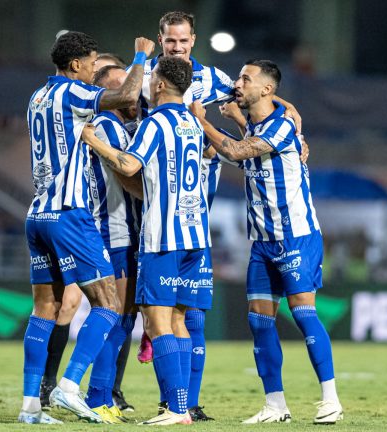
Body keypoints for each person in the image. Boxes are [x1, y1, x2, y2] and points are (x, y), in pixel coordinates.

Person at [134, 11, 306, 422]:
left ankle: (183, 404)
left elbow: (254, 95)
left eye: (183, 41)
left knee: (188, 315)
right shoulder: (142, 78)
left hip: (194, 216)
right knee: (140, 313)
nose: (177, 47)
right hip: (147, 208)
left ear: (193, 40)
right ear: (160, 40)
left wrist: (290, 110)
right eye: (170, 41)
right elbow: (120, 99)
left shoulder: (212, 79)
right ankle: (120, 395)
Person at [189, 59, 343, 424]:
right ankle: (275, 405)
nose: (237, 83)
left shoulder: (282, 126)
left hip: (296, 236)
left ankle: (330, 399)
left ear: (266, 89)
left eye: (246, 78)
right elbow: (244, 147)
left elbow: (239, 152)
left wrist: (202, 121)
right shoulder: (261, 123)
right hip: (261, 241)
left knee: (304, 314)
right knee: (259, 322)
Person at [18, 31, 154, 425]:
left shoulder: (37, 96)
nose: (95, 71)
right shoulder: (72, 93)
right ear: (75, 64)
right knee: (109, 303)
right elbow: (126, 99)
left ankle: (30, 407)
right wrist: (140, 58)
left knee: (45, 308)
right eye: (93, 63)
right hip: (69, 213)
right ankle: (70, 386)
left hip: (37, 214)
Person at [82, 55, 208, 426]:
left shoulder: (158, 121)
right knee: (179, 320)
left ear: (162, 85)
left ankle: (175, 408)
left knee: (156, 323)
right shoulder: (193, 122)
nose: (147, 84)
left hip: (163, 236)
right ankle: (181, 407)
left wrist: (96, 143)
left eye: (152, 77)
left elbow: (128, 166)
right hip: (195, 235)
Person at [79, 64, 143, 423]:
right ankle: (96, 396)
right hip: (112, 231)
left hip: (122, 231)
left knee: (122, 318)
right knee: (114, 317)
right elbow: (128, 175)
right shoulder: (107, 126)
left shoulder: (117, 127)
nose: (132, 90)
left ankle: (101, 396)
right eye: (122, 85)